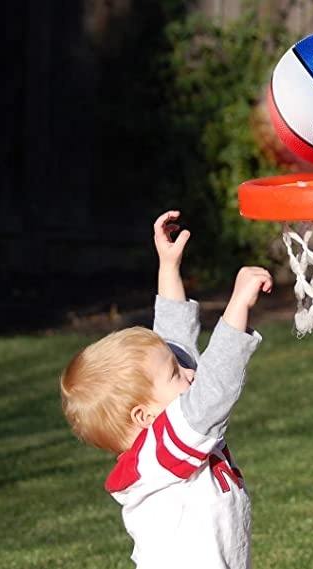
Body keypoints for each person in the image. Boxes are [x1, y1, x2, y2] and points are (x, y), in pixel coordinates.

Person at [60, 210, 273, 569]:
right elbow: (213, 393)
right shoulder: (159, 453)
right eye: (176, 374)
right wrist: (237, 306)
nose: (191, 372)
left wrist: (169, 267)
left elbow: (173, 346)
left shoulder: (162, 440)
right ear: (144, 415)